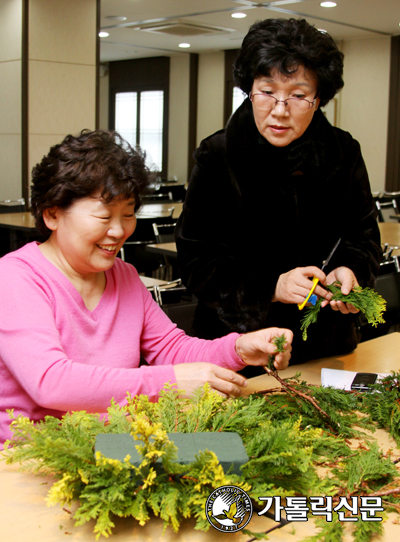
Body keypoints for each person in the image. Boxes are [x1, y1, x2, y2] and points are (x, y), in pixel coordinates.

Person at [0, 130, 292, 448]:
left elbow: (172, 350)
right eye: (103, 215)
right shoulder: (15, 278)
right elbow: (51, 382)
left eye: (128, 215)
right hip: (33, 460)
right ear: (53, 213)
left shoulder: (123, 276)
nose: (119, 230)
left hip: (113, 447)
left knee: (243, 454)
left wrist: (236, 350)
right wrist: (171, 383)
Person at [175, 18, 382, 369]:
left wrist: (350, 272)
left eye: (298, 96)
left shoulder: (343, 153)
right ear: (249, 89)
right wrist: (271, 286)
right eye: (267, 91)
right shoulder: (219, 155)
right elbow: (196, 261)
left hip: (326, 344)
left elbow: (363, 237)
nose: (280, 109)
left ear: (318, 99)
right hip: (237, 349)